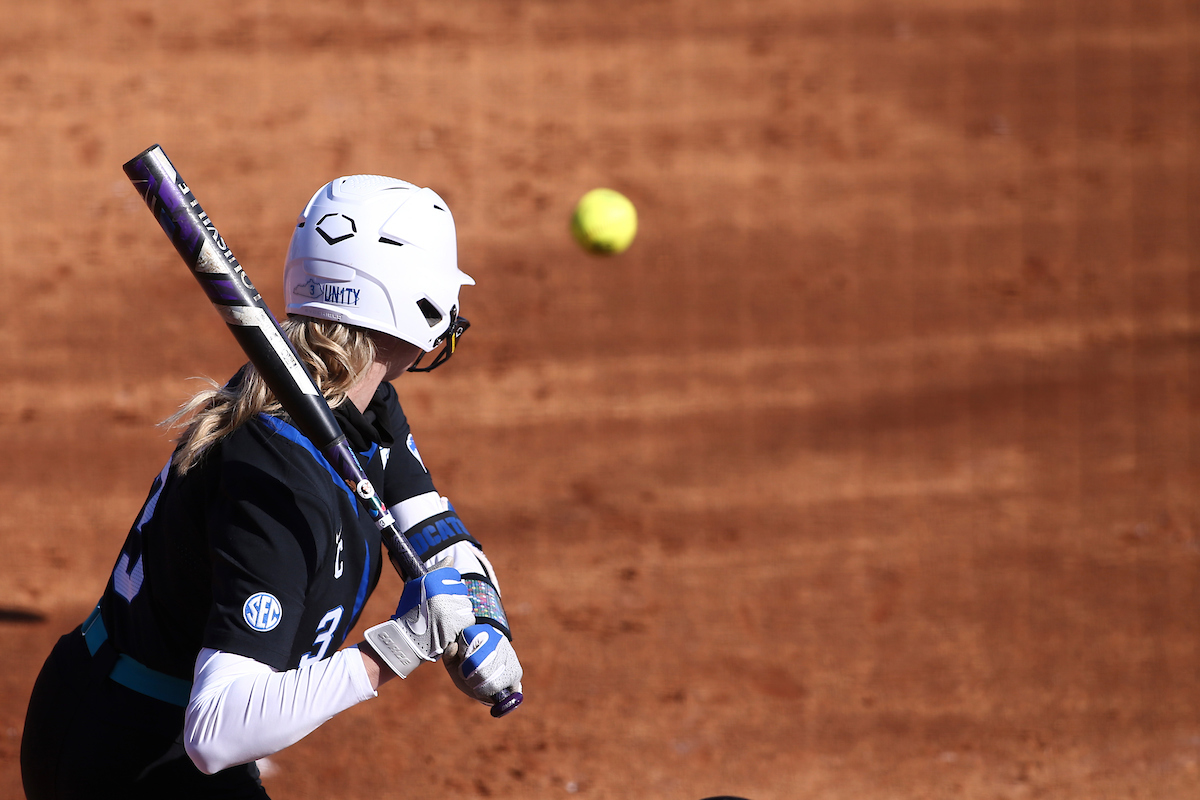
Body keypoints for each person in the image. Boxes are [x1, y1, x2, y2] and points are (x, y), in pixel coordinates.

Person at [21, 174, 523, 799]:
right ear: (413, 303)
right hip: (135, 754)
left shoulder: (349, 400)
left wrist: (482, 613)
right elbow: (217, 729)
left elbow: (432, 527)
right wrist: (397, 647)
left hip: (123, 713)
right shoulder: (282, 485)